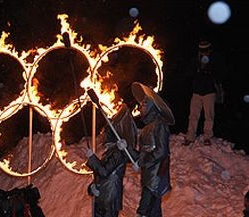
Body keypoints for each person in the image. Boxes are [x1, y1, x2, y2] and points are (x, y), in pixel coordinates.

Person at [131, 82, 175, 217]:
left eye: (144, 104)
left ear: (152, 106)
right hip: (148, 178)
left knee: (144, 211)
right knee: (154, 213)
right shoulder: (146, 128)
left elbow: (161, 151)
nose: (140, 107)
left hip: (155, 179)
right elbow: (144, 153)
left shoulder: (159, 125)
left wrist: (142, 162)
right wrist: (126, 148)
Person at [86, 103, 138, 217]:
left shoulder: (118, 153)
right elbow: (100, 175)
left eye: (105, 131)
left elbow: (105, 171)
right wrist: (92, 187)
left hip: (109, 199)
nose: (103, 134)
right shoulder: (110, 152)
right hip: (101, 197)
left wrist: (92, 159)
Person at [184, 39, 223, 146]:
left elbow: (218, 74)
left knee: (209, 116)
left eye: (206, 50)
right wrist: (198, 67)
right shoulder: (195, 60)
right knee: (193, 115)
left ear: (209, 50)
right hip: (196, 91)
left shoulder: (214, 60)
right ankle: (190, 136)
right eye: (202, 50)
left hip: (209, 91)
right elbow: (188, 73)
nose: (204, 52)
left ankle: (207, 137)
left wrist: (208, 69)